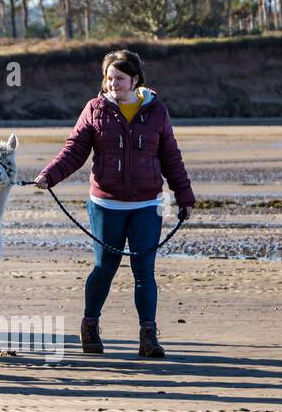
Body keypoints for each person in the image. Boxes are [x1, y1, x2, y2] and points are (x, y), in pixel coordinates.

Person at [34, 49, 195, 358]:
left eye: (119, 79)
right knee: (104, 267)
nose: (113, 84)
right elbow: (74, 150)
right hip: (105, 204)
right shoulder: (94, 109)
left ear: (135, 79)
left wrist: (184, 197)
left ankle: (149, 336)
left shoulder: (157, 111)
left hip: (148, 204)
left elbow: (171, 156)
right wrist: (49, 176)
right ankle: (90, 326)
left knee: (144, 271)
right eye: (109, 79)